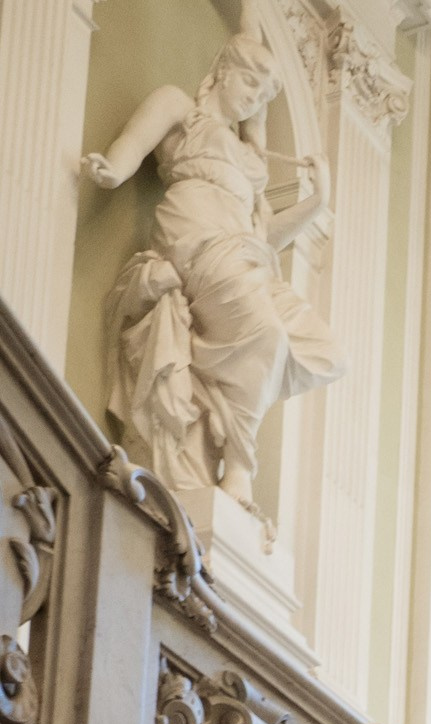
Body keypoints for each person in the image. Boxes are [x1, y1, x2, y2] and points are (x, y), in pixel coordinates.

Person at [86, 0, 342, 518]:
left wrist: (317, 202)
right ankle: (239, 470)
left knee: (327, 353)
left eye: (264, 96)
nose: (254, 99)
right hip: (198, 245)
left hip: (246, 257)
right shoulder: (182, 110)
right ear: (223, 70)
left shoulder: (250, 161)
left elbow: (266, 236)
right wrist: (113, 166)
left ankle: (217, 383)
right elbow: (134, 141)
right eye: (249, 83)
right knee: (268, 337)